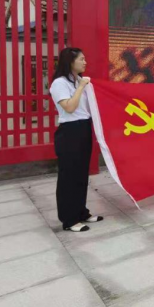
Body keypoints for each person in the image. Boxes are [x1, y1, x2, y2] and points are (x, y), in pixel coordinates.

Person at [49, 48, 103, 233]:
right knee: (69, 176)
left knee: (81, 174)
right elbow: (70, 107)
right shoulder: (59, 83)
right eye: (81, 59)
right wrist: (81, 87)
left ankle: (81, 212)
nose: (85, 62)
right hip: (70, 131)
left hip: (84, 128)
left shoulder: (79, 81)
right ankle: (69, 219)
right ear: (70, 62)